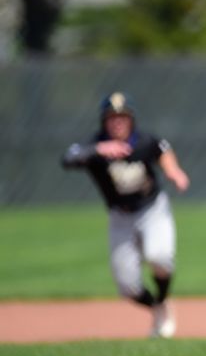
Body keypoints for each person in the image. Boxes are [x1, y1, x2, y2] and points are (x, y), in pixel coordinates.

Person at [61, 92, 190, 338]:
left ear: (131, 120)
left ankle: (163, 298)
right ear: (104, 121)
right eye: (111, 118)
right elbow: (68, 157)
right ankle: (158, 307)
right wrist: (99, 149)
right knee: (128, 287)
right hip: (120, 216)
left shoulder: (141, 141)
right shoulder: (96, 146)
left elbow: (162, 148)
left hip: (152, 209)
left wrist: (174, 171)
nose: (117, 122)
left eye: (122, 117)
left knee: (160, 257)